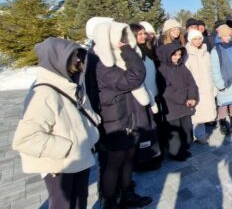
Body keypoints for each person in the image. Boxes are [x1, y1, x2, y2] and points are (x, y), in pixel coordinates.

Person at [13, 38, 100, 209]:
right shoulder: (43, 93)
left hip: (77, 159)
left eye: (78, 55)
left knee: (79, 201)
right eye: (73, 56)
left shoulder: (68, 84)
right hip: (60, 165)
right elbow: (25, 139)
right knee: (64, 205)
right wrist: (67, 148)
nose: (77, 60)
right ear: (56, 58)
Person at [92, 22, 153, 208]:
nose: (125, 42)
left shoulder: (118, 58)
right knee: (114, 161)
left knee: (128, 157)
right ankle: (109, 201)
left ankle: (128, 194)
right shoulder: (102, 62)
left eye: (126, 38)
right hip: (115, 120)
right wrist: (128, 50)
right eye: (122, 39)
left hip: (130, 116)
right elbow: (134, 77)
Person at [156, 43, 199, 161]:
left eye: (179, 54)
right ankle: (175, 153)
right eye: (174, 55)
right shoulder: (161, 70)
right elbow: (166, 90)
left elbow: (191, 82)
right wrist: (184, 99)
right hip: (172, 107)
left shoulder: (182, 66)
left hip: (186, 105)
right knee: (175, 131)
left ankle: (184, 148)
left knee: (185, 127)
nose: (177, 57)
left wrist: (192, 97)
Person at [129, 24, 161, 171]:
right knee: (144, 129)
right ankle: (143, 161)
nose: (143, 36)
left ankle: (154, 155)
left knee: (154, 126)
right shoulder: (131, 54)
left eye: (144, 33)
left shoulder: (148, 50)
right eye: (139, 34)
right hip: (142, 96)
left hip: (154, 92)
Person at [211, 24, 232, 135]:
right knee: (223, 103)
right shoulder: (216, 50)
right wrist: (220, 84)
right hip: (224, 80)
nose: (227, 37)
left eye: (228, 35)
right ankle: (222, 122)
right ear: (220, 36)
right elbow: (215, 69)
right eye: (224, 35)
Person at [185, 30, 217, 143]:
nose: (197, 41)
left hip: (207, 87)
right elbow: (186, 75)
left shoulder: (206, 53)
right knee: (196, 113)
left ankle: (200, 133)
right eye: (194, 39)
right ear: (190, 40)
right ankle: (199, 135)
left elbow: (211, 70)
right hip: (195, 88)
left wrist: (213, 86)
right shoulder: (187, 55)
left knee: (203, 113)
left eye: (199, 38)